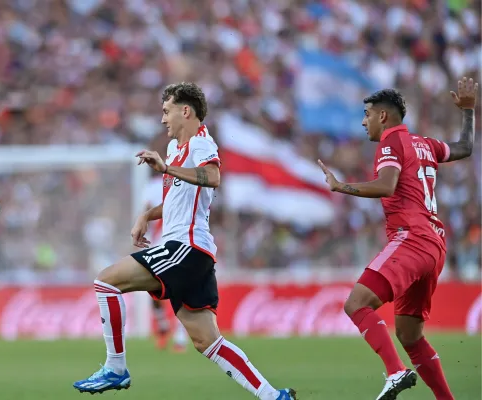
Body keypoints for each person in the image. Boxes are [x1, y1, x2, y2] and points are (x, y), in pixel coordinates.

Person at [73, 82, 296, 400]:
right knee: (208, 341)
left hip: (185, 247)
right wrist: (148, 215)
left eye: (166, 111)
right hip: (195, 252)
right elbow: (179, 200)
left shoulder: (200, 142)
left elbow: (213, 176)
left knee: (106, 282)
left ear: (185, 111)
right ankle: (275, 396)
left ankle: (116, 367)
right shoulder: (176, 150)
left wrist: (167, 168)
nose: (163, 119)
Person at [318, 77, 477, 400]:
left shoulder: (391, 143)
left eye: (367, 114)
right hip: (434, 246)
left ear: (383, 116)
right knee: (409, 335)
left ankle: (395, 372)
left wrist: (341, 186)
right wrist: (469, 113)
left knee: (356, 303)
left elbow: (387, 185)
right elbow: (465, 148)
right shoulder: (425, 143)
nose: (363, 121)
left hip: (412, 238)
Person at [143, 172, 189, 352]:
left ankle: (179, 335)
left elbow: (146, 211)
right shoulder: (165, 184)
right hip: (163, 243)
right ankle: (165, 327)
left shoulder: (182, 183)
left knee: (175, 289)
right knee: (153, 286)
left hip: (175, 242)